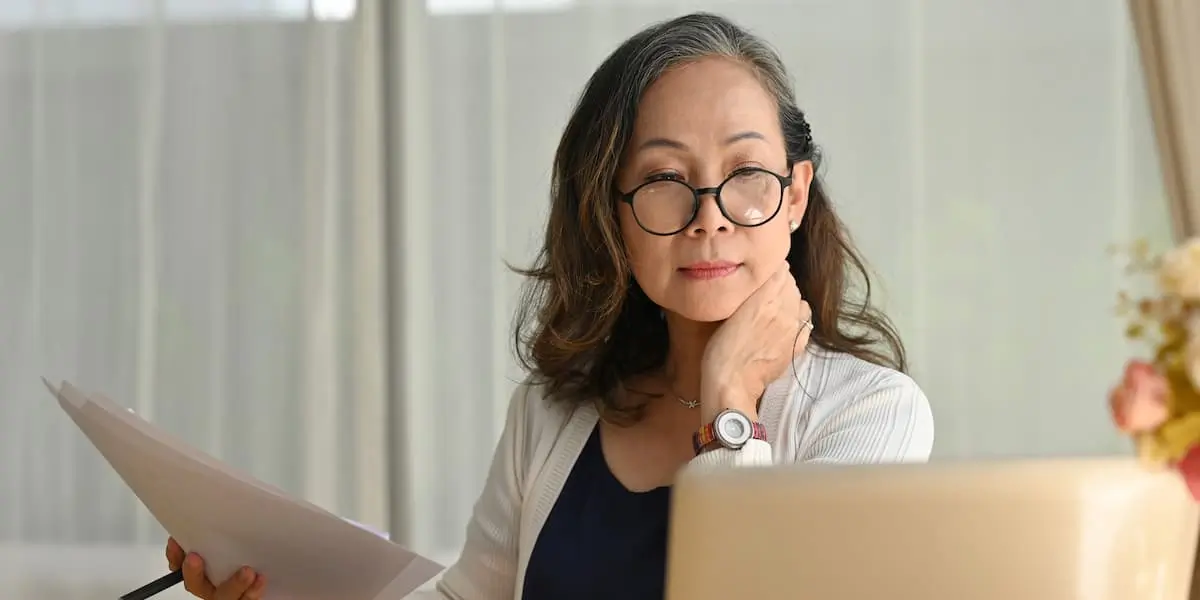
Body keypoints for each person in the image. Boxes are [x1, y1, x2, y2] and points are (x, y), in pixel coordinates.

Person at [167, 11, 935, 600]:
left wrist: (730, 407)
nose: (711, 216)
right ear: (613, 211)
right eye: (666, 178)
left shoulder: (870, 416)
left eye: (746, 174)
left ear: (795, 195)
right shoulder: (553, 412)